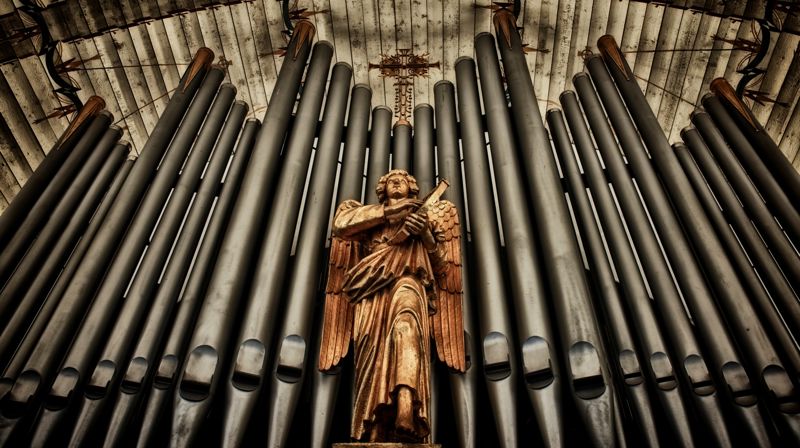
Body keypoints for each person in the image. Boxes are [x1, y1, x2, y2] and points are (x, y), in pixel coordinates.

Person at [319, 169, 465, 443]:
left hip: (409, 279)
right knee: (372, 350)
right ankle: (374, 423)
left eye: (402, 180)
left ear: (412, 188)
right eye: (390, 181)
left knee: (407, 326)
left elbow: (442, 267)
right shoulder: (365, 214)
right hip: (371, 287)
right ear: (382, 190)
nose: (396, 183)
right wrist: (390, 214)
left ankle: (406, 406)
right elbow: (341, 225)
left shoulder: (425, 215)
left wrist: (424, 234)